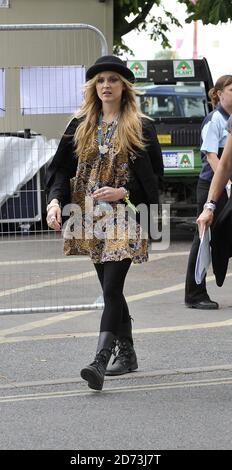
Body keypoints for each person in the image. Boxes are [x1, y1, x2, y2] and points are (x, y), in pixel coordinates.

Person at [45, 55, 163, 391]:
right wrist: (55, 201)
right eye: (100, 80)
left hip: (126, 215)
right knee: (111, 290)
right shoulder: (80, 124)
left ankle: (100, 359)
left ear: (124, 87)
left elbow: (156, 176)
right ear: (93, 87)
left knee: (111, 288)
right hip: (87, 216)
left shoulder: (140, 126)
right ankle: (127, 353)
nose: (106, 85)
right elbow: (60, 171)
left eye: (112, 79)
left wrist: (123, 190)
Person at [184, 75, 232, 310]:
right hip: (212, 187)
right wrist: (227, 184)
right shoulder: (215, 120)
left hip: (227, 186)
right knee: (203, 237)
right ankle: (194, 294)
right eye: (231, 90)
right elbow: (214, 158)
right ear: (219, 93)